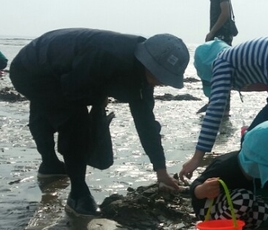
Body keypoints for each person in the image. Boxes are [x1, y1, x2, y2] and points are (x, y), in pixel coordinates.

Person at [10, 28, 190, 217]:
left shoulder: (143, 80)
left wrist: (161, 171)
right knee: (74, 121)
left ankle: (50, 167)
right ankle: (78, 194)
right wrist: (97, 102)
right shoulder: (106, 56)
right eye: (161, 76)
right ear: (147, 62)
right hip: (29, 70)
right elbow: (72, 96)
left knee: (57, 110)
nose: (162, 83)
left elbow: (146, 123)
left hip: (61, 69)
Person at [179, 35, 268, 179]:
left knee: (253, 144)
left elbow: (216, 108)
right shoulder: (242, 56)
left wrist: (197, 158)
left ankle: (255, 191)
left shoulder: (221, 62)